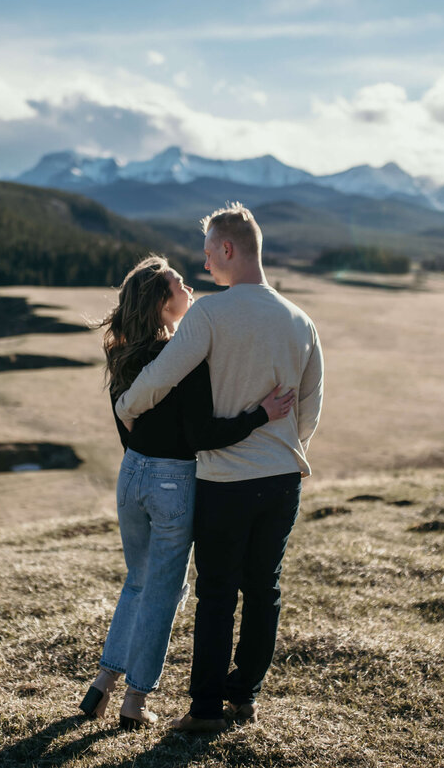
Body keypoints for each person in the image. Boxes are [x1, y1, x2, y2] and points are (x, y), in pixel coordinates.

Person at [114, 203, 324, 732]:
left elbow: (162, 374)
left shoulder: (210, 314)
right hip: (280, 479)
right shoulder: (302, 321)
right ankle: (244, 698)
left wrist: (126, 407)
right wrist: (280, 445)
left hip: (224, 480)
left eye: (209, 254)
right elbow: (311, 407)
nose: (206, 266)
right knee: (264, 590)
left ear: (229, 249)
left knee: (216, 597)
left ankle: (205, 710)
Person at [80, 255, 296, 729]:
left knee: (137, 582)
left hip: (131, 474)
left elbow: (126, 423)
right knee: (165, 590)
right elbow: (203, 436)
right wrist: (262, 414)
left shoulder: (124, 353)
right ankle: (135, 700)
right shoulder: (185, 355)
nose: (189, 287)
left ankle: (102, 684)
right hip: (172, 480)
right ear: (162, 301)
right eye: (179, 283)